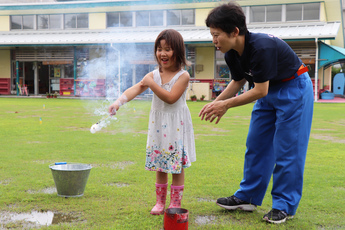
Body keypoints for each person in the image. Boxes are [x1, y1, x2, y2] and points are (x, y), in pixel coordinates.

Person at [199, 2, 313, 224]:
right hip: (266, 90)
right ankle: (248, 197)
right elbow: (239, 81)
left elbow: (260, 89)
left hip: (293, 87)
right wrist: (216, 102)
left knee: (287, 149)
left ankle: (284, 205)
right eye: (211, 34)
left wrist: (226, 105)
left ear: (235, 32)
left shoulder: (261, 47)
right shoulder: (231, 52)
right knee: (256, 144)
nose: (214, 40)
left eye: (216, 35)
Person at [108, 29, 196, 215]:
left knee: (176, 167)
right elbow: (136, 88)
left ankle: (174, 202)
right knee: (160, 163)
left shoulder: (183, 76)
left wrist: (150, 82)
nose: (162, 53)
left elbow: (171, 98)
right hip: (158, 125)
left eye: (168, 49)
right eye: (159, 49)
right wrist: (118, 102)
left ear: (178, 51)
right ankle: (159, 202)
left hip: (176, 126)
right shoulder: (153, 75)